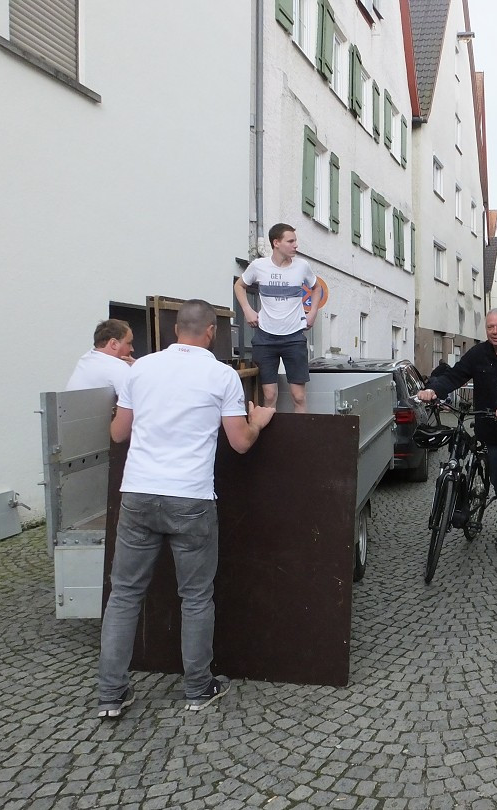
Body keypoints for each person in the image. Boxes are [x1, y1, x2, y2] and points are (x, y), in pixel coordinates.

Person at [96, 300, 275, 720]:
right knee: (195, 597)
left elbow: (118, 433)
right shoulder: (221, 375)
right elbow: (241, 442)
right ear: (210, 332)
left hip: (138, 493)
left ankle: (111, 694)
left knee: (123, 595)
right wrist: (260, 421)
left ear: (177, 329)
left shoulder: (139, 370)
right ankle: (197, 688)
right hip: (191, 498)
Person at [418, 309, 497, 572]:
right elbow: (454, 376)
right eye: (490, 327)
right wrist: (434, 389)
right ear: (486, 330)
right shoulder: (478, 354)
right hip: (492, 434)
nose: (495, 331)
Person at [235, 223, 321, 413]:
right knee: (269, 395)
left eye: (295, 241)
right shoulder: (259, 266)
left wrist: (313, 311)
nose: (295, 245)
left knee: (298, 396)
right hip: (266, 337)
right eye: (290, 241)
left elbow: (317, 288)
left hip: (294, 337)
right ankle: (271, 440)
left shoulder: (302, 266)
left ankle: (299, 440)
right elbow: (239, 286)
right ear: (276, 243)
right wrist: (247, 310)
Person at [65, 319, 135, 396]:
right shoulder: (117, 366)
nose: (132, 349)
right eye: (129, 343)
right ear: (114, 344)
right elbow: (139, 403)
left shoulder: (86, 359)